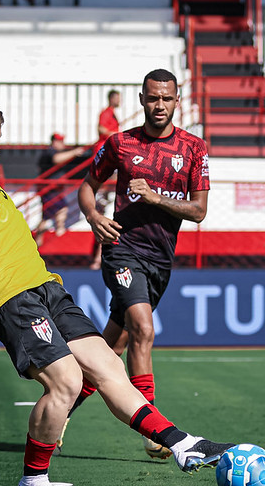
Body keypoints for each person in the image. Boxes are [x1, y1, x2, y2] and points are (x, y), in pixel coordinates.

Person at [0, 94, 232, 486]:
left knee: (108, 369)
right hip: (9, 296)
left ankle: (183, 445)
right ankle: (33, 481)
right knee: (66, 381)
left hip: (47, 287)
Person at [72, 69, 211, 460]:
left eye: (167, 98)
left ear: (177, 99)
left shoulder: (194, 149)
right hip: (122, 249)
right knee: (143, 329)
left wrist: (153, 198)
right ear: (141, 99)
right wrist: (94, 217)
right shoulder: (120, 143)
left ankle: (63, 405)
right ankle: (155, 431)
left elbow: (198, 211)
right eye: (153, 98)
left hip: (160, 260)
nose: (160, 105)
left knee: (110, 348)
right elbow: (87, 186)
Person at [33, 133, 86, 247]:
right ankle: (58, 230)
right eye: (59, 141)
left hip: (53, 188)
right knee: (58, 210)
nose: (62, 144)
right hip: (49, 189)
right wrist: (74, 152)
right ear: (54, 142)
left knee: (49, 214)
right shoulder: (49, 152)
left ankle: (41, 238)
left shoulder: (54, 152)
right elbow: (56, 159)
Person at [90, 89, 121, 268]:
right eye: (117, 97)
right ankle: (97, 259)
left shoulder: (112, 113)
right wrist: (115, 136)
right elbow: (101, 129)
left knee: (105, 215)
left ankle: (97, 259)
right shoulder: (106, 112)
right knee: (104, 215)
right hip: (106, 156)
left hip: (108, 159)